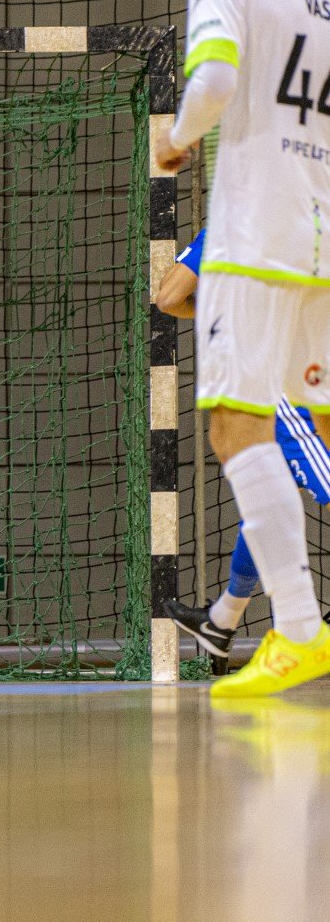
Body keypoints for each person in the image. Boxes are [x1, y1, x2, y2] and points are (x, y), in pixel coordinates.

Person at [152, 0, 330, 696]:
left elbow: (216, 75)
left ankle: (296, 628)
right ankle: (255, 623)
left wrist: (179, 138)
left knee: (233, 422)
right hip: (325, 235)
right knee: (317, 429)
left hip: (255, 233)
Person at [154, 229, 330, 674]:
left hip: (280, 368)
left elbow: (171, 299)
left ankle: (222, 620)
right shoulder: (266, 215)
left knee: (270, 495)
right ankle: (301, 635)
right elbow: (170, 296)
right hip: (288, 378)